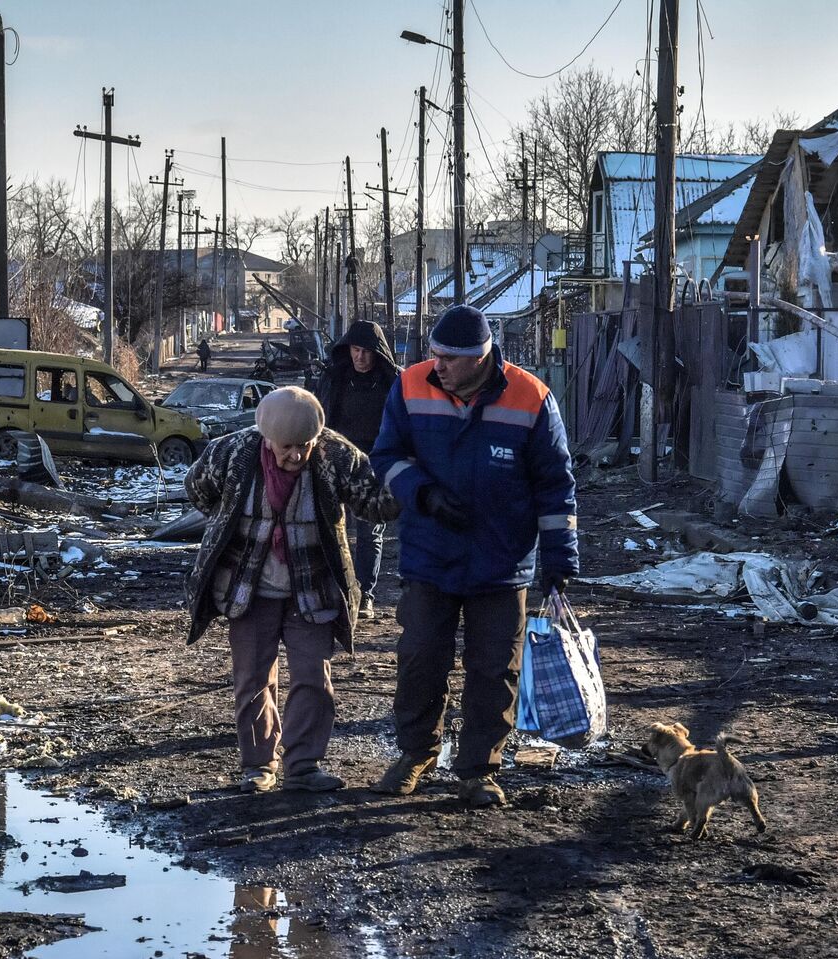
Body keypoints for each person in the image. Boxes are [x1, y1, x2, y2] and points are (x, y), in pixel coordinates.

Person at [368, 304, 579, 808]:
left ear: (480, 358)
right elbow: (386, 456)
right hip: (430, 554)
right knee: (420, 658)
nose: (435, 364)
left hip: (502, 564)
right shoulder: (411, 385)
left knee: (494, 669)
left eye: (448, 358)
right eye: (433, 353)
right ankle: (416, 753)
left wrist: (560, 562)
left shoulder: (532, 398)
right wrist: (424, 494)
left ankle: (479, 769)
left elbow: (556, 487)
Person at [184, 387, 399, 794]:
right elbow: (197, 490)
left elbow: (376, 504)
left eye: (304, 446)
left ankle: (303, 765)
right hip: (247, 589)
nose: (296, 456)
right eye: (287, 448)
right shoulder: (230, 454)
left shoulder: (337, 455)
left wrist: (409, 472)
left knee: (314, 679)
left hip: (312, 587)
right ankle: (258, 766)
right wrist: (232, 519)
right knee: (252, 679)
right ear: (266, 437)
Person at [313, 320, 401, 620]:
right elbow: (319, 418)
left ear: (377, 353)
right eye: (355, 350)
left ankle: (365, 594)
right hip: (336, 461)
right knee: (332, 528)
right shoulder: (335, 379)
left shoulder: (392, 384)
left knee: (369, 532)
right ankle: (336, 591)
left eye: (366, 351)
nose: (360, 357)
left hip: (376, 464)